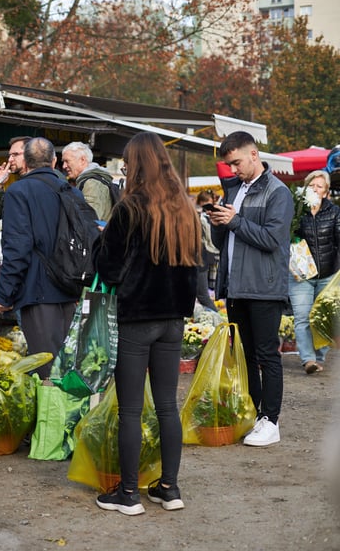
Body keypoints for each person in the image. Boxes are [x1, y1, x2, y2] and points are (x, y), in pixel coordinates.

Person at [93, 131, 201, 516]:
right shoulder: (186, 208)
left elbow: (109, 268)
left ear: (136, 164)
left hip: (137, 316)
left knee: (131, 411)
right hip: (173, 318)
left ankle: (128, 494)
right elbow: (195, 266)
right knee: (168, 406)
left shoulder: (129, 208)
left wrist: (99, 243)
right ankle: (169, 489)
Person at [208, 131, 294, 447]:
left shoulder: (277, 192)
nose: (233, 170)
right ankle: (257, 416)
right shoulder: (234, 190)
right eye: (229, 165)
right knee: (245, 357)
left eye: (237, 162)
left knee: (266, 356)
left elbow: (272, 240)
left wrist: (235, 222)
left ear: (254, 154)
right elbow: (225, 241)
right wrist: (218, 224)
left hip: (264, 287)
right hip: (237, 286)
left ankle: (271, 421)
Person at [0, 137, 80, 379]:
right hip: (70, 288)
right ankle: (72, 415)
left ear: (27, 161)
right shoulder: (71, 191)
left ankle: (52, 417)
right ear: (53, 161)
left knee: (47, 370)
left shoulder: (19, 191)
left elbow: (17, 249)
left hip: (37, 290)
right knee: (67, 366)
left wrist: (4, 295)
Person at [289, 169, 340, 374]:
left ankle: (320, 357)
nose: (315, 189)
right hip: (302, 275)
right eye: (312, 185)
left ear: (326, 192)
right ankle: (308, 359)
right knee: (302, 317)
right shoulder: (296, 210)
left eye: (320, 186)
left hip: (328, 274)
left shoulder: (334, 212)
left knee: (322, 317)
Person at [61, 141, 115, 221]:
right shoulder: (90, 181)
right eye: (63, 162)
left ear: (82, 160)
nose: (64, 166)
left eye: (67, 161)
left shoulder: (91, 184)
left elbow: (89, 221)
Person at [195, 190, 219, 311]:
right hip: (204, 256)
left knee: (203, 295)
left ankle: (217, 320)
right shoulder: (201, 217)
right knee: (204, 295)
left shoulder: (202, 218)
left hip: (202, 257)